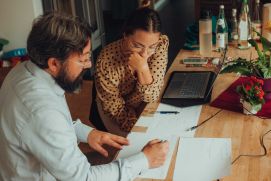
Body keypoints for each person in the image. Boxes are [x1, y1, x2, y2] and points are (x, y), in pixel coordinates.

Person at [0, 12, 169, 181]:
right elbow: (84, 178)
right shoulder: (41, 110)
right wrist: (144, 160)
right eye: (83, 59)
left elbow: (50, 127)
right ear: (54, 63)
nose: (89, 65)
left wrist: (87, 133)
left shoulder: (23, 70)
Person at [95, 7, 169, 135]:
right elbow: (115, 108)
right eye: (137, 46)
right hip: (117, 110)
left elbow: (152, 95)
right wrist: (138, 130)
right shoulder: (106, 61)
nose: (145, 54)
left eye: (151, 47)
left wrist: (142, 67)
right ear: (125, 36)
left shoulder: (160, 44)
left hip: (145, 101)